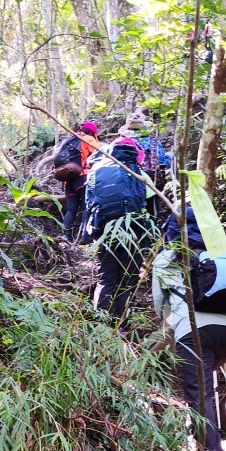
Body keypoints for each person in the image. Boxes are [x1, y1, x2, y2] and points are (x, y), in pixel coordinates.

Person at [152, 207, 226, 451]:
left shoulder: (168, 258)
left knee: (199, 395)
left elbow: (160, 306)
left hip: (194, 330)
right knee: (207, 387)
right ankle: (219, 446)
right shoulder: (224, 255)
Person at [86, 137, 153, 321]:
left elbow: (89, 205)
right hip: (134, 233)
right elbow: (152, 212)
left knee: (106, 280)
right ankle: (119, 325)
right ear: (136, 154)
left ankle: (99, 325)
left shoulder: (97, 171)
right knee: (127, 280)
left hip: (105, 231)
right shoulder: (141, 175)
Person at [56, 121, 98, 242]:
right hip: (82, 177)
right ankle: (86, 236)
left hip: (68, 179)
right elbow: (99, 154)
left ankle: (66, 234)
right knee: (86, 207)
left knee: (71, 209)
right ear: (91, 132)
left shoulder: (69, 139)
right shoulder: (88, 139)